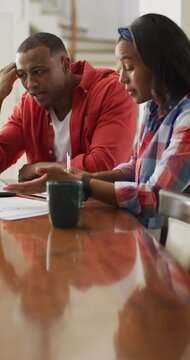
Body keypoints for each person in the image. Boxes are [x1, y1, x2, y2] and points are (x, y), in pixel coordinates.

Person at [5, 13, 190, 232]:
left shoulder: (185, 118)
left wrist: (81, 183)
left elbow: (152, 197)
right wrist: (81, 177)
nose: (122, 78)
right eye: (22, 75)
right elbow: (134, 167)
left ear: (160, 65)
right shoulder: (153, 109)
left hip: (161, 248)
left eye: (129, 68)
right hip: (141, 234)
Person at [0, 32, 137, 179]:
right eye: (22, 75)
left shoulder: (111, 91)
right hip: (41, 202)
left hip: (96, 201)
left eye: (38, 72)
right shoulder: (28, 105)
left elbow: (104, 166)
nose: (30, 84)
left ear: (65, 66)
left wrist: (38, 168)